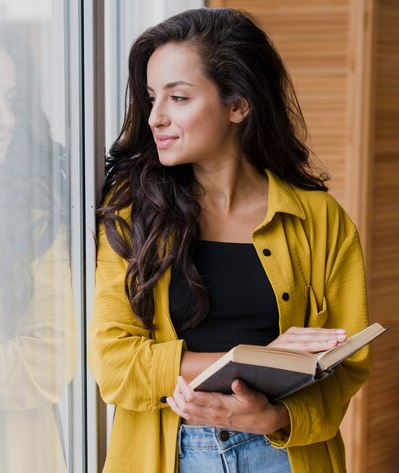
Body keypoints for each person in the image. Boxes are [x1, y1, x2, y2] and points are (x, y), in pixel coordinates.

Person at [88, 8, 371, 473]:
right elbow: (114, 364)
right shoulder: (133, 214)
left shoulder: (321, 219)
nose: (155, 117)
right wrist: (256, 360)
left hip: (283, 454)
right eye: (151, 97)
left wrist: (275, 415)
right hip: (173, 454)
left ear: (238, 105)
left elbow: (350, 361)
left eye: (178, 98)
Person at [0, 23, 77, 473]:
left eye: (11, 99)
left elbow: (51, 360)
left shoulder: (35, 209)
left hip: (10, 454)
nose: (4, 118)